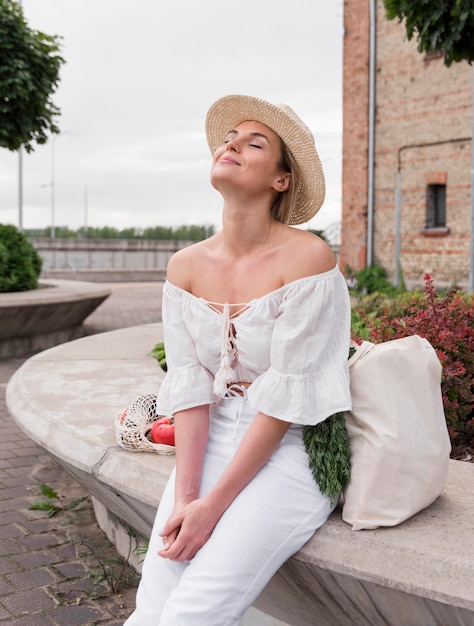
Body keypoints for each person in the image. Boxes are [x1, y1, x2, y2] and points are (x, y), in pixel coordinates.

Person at [124, 94, 352, 625]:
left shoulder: (309, 258)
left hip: (290, 446)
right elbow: (189, 388)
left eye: (255, 143)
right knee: (151, 608)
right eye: (230, 139)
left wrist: (213, 506)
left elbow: (288, 402)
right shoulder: (183, 266)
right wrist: (187, 498)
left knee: (191, 615)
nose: (232, 145)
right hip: (208, 443)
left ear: (281, 180)